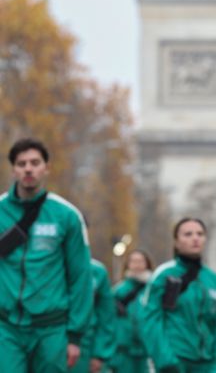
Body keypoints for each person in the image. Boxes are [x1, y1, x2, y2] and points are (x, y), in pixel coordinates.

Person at [0, 138, 93, 372]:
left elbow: (80, 276)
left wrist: (75, 336)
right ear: (14, 170)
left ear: (46, 168)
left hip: (51, 329)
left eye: (35, 162)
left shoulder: (67, 216)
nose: (28, 169)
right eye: (21, 164)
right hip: (6, 328)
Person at [140, 218, 216, 372]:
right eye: (188, 234)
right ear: (176, 242)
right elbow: (151, 320)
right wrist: (166, 361)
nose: (195, 238)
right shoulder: (163, 276)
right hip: (175, 363)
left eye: (200, 233)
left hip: (209, 364)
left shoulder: (215, 281)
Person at [72, 255, 117, 373]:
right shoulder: (46, 266)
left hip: (85, 346)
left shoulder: (97, 271)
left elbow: (106, 316)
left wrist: (99, 354)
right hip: (49, 344)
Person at [111, 249, 154, 373]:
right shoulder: (118, 291)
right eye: (134, 261)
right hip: (123, 348)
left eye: (140, 261)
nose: (137, 265)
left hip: (146, 348)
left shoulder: (152, 290)